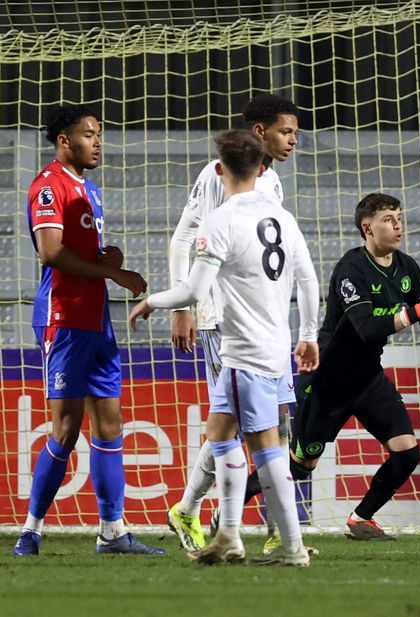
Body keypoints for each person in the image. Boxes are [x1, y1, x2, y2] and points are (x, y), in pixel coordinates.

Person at [132, 128, 321, 566]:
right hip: (277, 347)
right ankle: (229, 535)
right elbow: (309, 280)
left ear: (219, 170)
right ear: (262, 167)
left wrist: (152, 301)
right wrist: (308, 333)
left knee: (266, 448)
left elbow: (194, 291)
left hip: (242, 352)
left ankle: (290, 547)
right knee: (221, 434)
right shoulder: (281, 217)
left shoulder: (220, 222)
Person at [11, 104, 162, 557]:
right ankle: (31, 529)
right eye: (89, 134)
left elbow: (83, 257)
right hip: (65, 319)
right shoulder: (48, 186)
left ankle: (112, 530)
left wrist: (104, 261)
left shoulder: (89, 190)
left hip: (97, 320)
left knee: (111, 424)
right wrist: (113, 274)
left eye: (99, 134)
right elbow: (51, 253)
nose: (98, 142)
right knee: (65, 428)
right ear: (65, 140)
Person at [288, 193, 420, 541]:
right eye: (389, 219)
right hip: (328, 380)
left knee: (407, 453)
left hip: (368, 379)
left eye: (399, 217)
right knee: (301, 468)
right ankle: (232, 502)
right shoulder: (350, 268)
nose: (398, 225)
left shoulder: (406, 267)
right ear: (367, 228)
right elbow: (368, 327)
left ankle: (361, 519)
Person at [164, 94, 305, 555]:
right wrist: (182, 306)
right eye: (286, 132)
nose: (293, 142)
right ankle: (211, 517)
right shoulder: (216, 176)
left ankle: (264, 529)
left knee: (273, 423)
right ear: (260, 133)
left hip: (265, 322)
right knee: (237, 426)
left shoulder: (274, 183)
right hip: (222, 317)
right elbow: (186, 236)